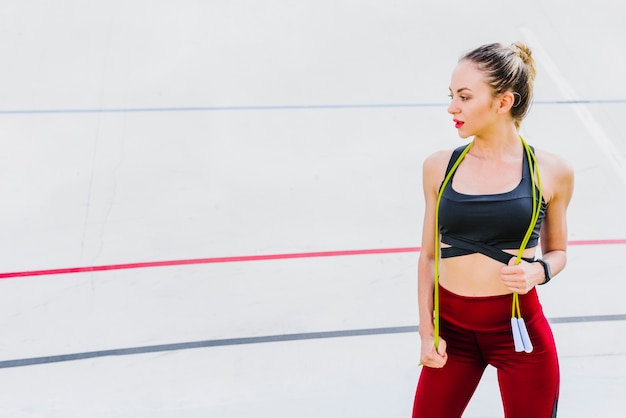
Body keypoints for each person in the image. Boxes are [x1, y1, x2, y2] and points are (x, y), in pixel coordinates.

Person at [411, 42, 574, 418]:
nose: (452, 107)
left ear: (503, 103)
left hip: (518, 334)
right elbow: (428, 256)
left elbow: (558, 251)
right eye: (452, 96)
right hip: (450, 334)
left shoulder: (552, 171)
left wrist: (539, 270)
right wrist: (425, 333)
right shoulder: (439, 167)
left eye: (465, 97)